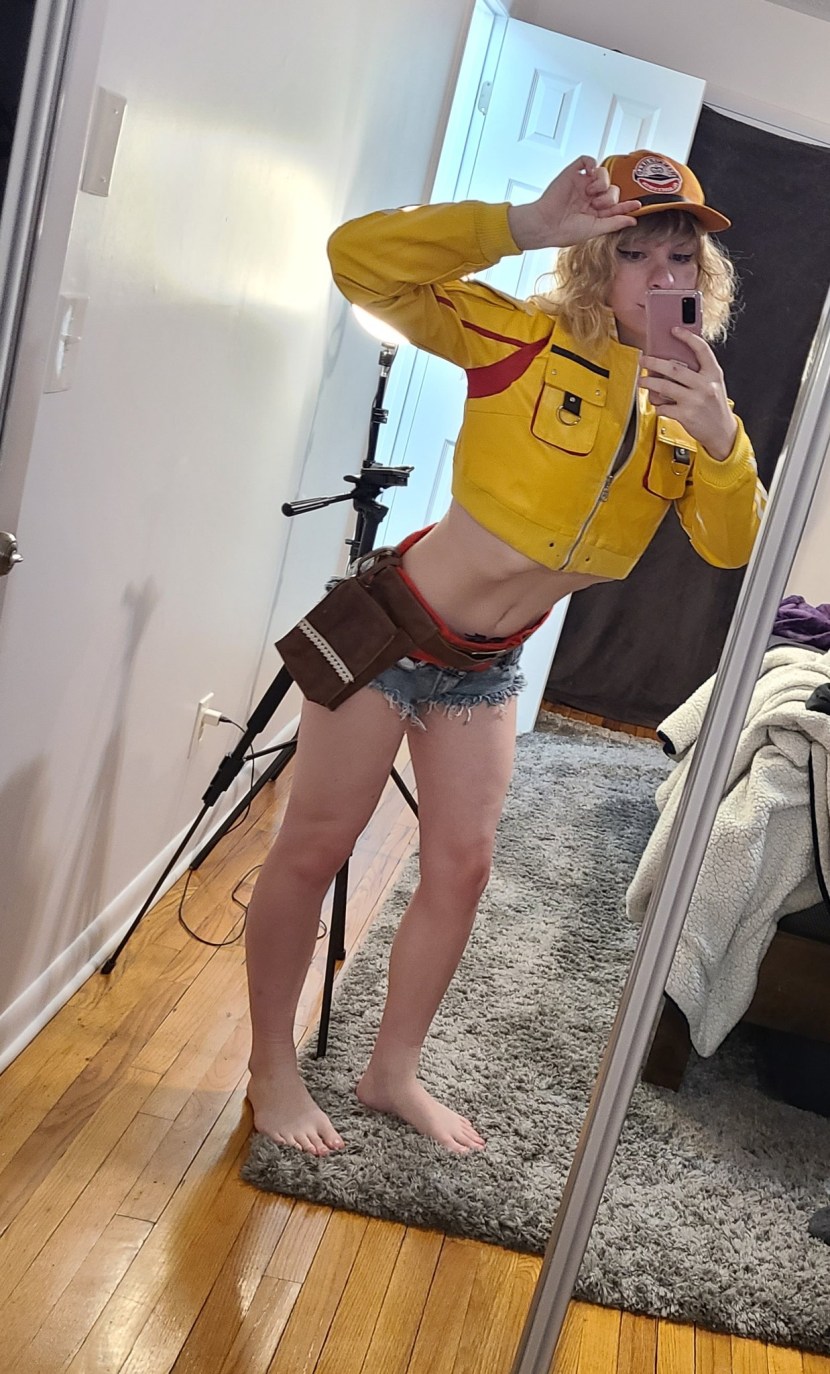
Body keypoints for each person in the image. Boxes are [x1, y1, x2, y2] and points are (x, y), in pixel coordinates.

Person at [245, 150, 766, 1156]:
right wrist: (521, 224)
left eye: (679, 258)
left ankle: (391, 1071)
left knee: (464, 867)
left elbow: (730, 545)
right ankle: (272, 1067)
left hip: (486, 665)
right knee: (313, 847)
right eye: (635, 253)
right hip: (393, 632)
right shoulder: (520, 337)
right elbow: (359, 262)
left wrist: (718, 438)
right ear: (595, 262)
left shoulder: (690, 403)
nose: (661, 276)